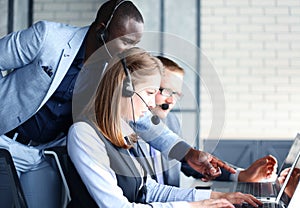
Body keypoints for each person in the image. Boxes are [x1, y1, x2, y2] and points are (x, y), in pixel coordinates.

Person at [0, 0, 235, 206]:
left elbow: (142, 117)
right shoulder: (48, 37)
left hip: (42, 154)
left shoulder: (111, 71)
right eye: (125, 43)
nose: (127, 52)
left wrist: (188, 153)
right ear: (101, 31)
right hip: (4, 140)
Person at [67, 47, 262, 208]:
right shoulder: (85, 134)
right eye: (150, 92)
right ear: (124, 88)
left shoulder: (122, 131)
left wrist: (214, 197)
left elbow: (149, 190)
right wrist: (196, 206)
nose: (152, 103)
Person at [137, 56, 277, 186]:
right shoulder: (126, 127)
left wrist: (241, 175)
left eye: (176, 94)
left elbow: (187, 162)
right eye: (166, 91)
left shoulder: (171, 121)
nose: (171, 101)